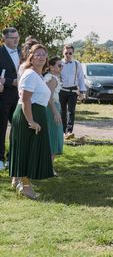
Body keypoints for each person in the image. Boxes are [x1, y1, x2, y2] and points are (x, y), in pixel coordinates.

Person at [9, 44, 55, 199]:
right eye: (37, 54)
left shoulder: (39, 75)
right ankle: (26, 187)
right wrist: (31, 121)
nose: (41, 57)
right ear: (31, 57)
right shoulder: (29, 73)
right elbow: (25, 100)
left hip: (36, 114)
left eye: (43, 54)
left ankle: (16, 179)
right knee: (26, 150)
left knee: (28, 148)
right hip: (27, 116)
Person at [0, 27, 21, 171]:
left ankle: (11, 157)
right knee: (1, 129)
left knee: (17, 128)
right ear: (4, 39)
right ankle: (0, 159)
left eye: (17, 37)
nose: (16, 40)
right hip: (3, 96)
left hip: (19, 97)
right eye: (13, 38)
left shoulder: (21, 52)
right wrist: (10, 82)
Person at [59, 44, 86, 139]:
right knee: (62, 111)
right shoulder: (59, 63)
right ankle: (62, 131)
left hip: (73, 90)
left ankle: (69, 131)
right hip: (61, 90)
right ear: (63, 52)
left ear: (73, 53)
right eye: (66, 53)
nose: (68, 55)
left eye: (70, 53)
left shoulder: (77, 63)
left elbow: (80, 77)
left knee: (71, 111)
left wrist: (82, 91)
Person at [44, 57, 64, 174]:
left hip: (54, 107)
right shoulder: (51, 78)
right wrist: (55, 112)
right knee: (53, 136)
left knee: (53, 135)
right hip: (52, 108)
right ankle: (48, 168)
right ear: (51, 67)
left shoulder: (52, 77)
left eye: (62, 65)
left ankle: (48, 167)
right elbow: (49, 97)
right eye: (59, 65)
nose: (61, 67)